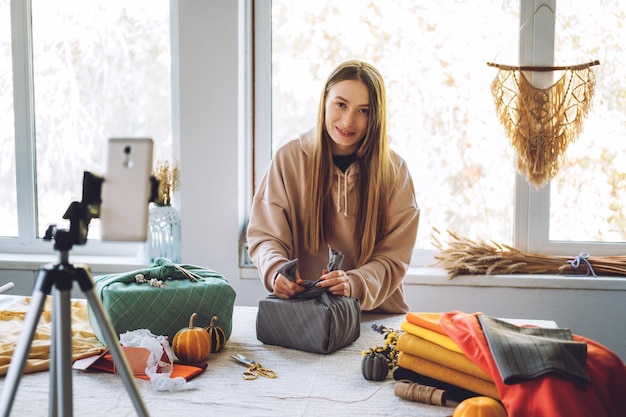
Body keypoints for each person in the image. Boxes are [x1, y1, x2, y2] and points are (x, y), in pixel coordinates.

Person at [247, 60, 419, 313]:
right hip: (304, 316)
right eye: (341, 105)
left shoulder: (395, 171)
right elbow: (265, 236)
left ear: (376, 116)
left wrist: (355, 283)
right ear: (324, 102)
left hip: (373, 317)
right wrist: (276, 272)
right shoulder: (288, 160)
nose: (348, 121)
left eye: (364, 110)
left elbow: (394, 257)